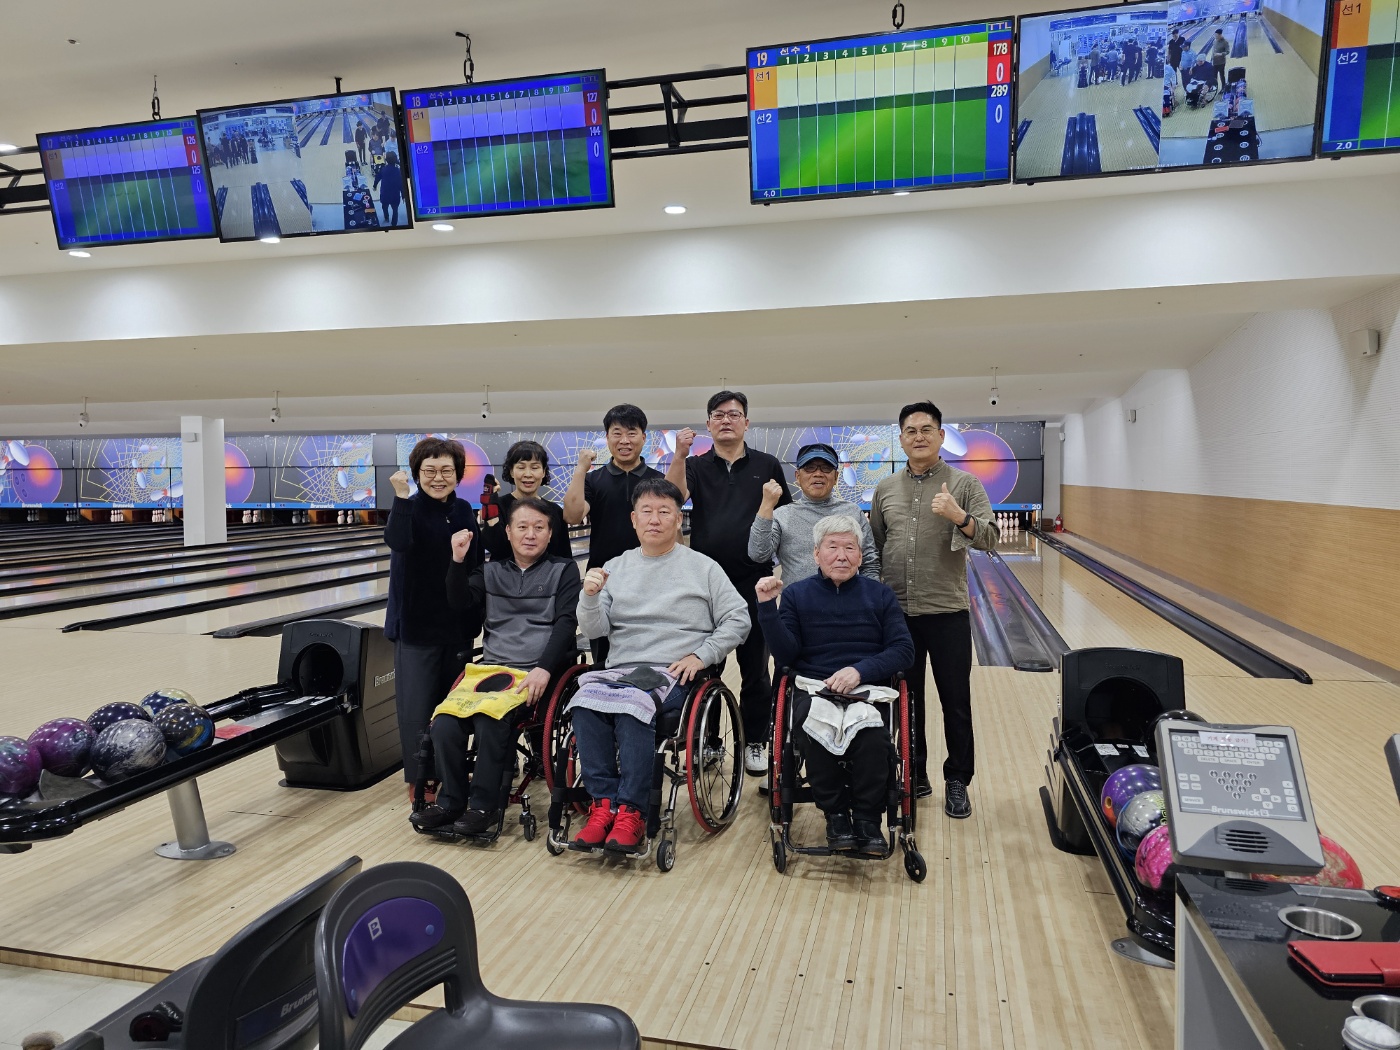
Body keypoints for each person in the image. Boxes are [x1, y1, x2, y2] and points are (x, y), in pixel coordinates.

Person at [569, 478, 749, 854]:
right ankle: (604, 806)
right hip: (622, 670)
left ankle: (632, 812)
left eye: (664, 511)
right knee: (584, 702)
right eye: (647, 511)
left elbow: (738, 618)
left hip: (672, 672)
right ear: (634, 519)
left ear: (679, 519)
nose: (655, 519)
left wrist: (702, 655)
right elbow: (594, 628)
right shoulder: (616, 567)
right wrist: (589, 596)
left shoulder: (703, 568)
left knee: (632, 705)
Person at [410, 497, 582, 835]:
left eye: (539, 527)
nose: (530, 534)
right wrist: (457, 560)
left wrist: (545, 668)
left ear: (550, 534)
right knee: (444, 724)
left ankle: (484, 806)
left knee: (491, 722)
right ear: (508, 532)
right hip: (491, 670)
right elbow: (459, 601)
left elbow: (566, 623)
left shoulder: (563, 570)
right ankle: (451, 802)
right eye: (522, 527)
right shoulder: (490, 572)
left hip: (534, 672)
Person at [869, 401, 997, 819]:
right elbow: (877, 544)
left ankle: (957, 780)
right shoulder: (885, 489)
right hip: (898, 614)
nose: (919, 436)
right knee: (908, 700)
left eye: (927, 429)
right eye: (911, 430)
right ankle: (915, 772)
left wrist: (960, 517)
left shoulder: (965, 484)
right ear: (901, 438)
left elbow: (991, 538)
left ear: (941, 436)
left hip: (947, 612)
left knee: (955, 701)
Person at [757, 516, 913, 854]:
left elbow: (904, 650)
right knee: (815, 733)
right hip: (814, 687)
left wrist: (859, 670)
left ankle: (867, 820)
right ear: (816, 554)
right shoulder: (796, 595)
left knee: (873, 740)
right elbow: (786, 655)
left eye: (849, 548)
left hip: (866, 689)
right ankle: (836, 816)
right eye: (832, 547)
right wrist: (768, 608)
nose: (841, 556)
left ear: (860, 555)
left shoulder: (881, 595)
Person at [666, 390, 792, 779]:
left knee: (755, 670)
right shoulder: (695, 465)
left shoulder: (767, 464)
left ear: (746, 423)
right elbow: (672, 497)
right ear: (708, 424)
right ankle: (708, 741)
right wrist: (680, 455)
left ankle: (755, 741)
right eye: (718, 415)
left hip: (755, 583)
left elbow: (785, 518)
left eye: (734, 414)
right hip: (707, 585)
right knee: (707, 668)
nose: (726, 420)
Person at [385, 437, 483, 795]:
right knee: (417, 709)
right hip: (416, 627)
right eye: (430, 471)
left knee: (452, 705)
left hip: (456, 626)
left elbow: (475, 564)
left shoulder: (464, 509)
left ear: (458, 474)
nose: (438, 478)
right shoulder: (409, 508)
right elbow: (397, 541)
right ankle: (419, 777)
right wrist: (400, 497)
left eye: (446, 471)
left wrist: (476, 613)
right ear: (417, 474)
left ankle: (449, 772)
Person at [563, 404, 664, 665]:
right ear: (607, 438)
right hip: (603, 578)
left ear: (644, 437)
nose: (624, 440)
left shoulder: (658, 481)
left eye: (631, 433)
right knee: (603, 656)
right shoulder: (593, 480)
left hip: (650, 578)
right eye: (617, 433)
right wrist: (580, 469)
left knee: (650, 650)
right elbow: (572, 516)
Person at [747, 441, 879, 585]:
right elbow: (758, 554)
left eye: (826, 468)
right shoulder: (783, 515)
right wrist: (766, 505)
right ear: (797, 476)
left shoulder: (853, 512)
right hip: (796, 599)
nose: (818, 474)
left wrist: (871, 595)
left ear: (836, 477)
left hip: (848, 599)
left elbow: (870, 562)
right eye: (809, 468)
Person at [480, 440, 572, 563]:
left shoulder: (555, 511)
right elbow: (494, 546)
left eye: (535, 467)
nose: (528, 474)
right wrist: (490, 507)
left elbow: (565, 556)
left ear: (543, 472)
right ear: (512, 472)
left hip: (548, 575)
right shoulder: (499, 506)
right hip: (504, 575)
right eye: (521, 467)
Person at [374, 152, 404, 227]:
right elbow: (401, 184)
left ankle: (386, 218)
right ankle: (394, 224)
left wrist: (374, 186)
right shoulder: (398, 171)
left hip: (385, 194)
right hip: (395, 195)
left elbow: (377, 178)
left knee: (384, 207)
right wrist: (403, 195)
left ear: (386, 160)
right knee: (395, 210)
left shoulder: (383, 169)